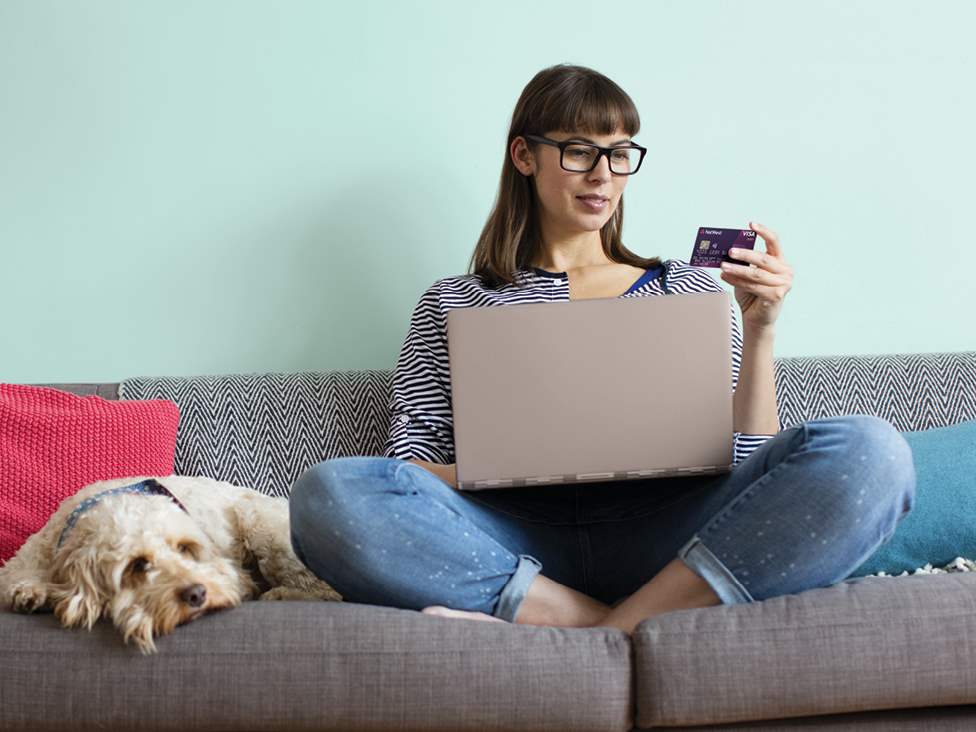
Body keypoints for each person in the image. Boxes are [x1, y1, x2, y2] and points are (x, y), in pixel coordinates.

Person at [288, 64, 916, 634]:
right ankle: (602, 622)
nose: (603, 176)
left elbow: (747, 453)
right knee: (328, 494)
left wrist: (762, 329)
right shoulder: (454, 301)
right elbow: (411, 466)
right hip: (517, 536)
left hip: (669, 530)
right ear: (524, 156)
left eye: (620, 155)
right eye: (580, 151)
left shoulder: (684, 286)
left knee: (872, 452)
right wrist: (514, 465)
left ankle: (613, 629)